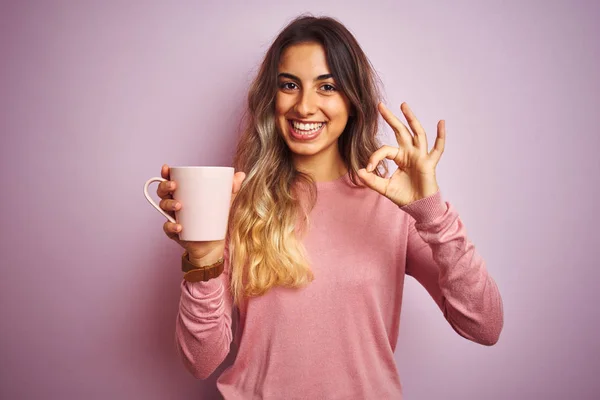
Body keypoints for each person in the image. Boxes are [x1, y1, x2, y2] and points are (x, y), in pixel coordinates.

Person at [156, 15, 503, 399]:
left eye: (327, 87)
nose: (304, 106)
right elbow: (200, 361)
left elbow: (484, 326)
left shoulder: (393, 205)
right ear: (271, 98)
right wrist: (203, 258)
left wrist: (433, 213)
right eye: (289, 85)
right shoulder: (237, 201)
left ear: (353, 101)